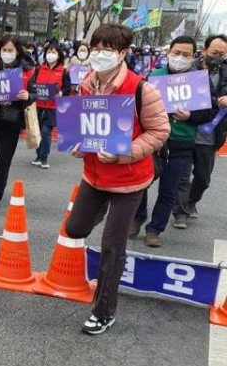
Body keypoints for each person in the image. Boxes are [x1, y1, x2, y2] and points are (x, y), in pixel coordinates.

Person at [65, 24, 170, 335]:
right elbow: (85, 128)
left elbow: (160, 132)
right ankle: (101, 212)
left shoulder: (142, 89)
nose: (99, 55)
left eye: (107, 50)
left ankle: (104, 311)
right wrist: (78, 146)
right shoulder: (86, 84)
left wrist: (125, 153)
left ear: (123, 53)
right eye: (95, 48)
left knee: (112, 247)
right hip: (94, 177)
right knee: (75, 228)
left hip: (129, 180)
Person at [130, 36, 213, 246]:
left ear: (194, 56)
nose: (180, 57)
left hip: (182, 144)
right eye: (177, 53)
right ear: (168, 53)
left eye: (186, 54)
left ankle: (155, 229)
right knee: (141, 184)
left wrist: (190, 117)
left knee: (169, 190)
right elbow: (138, 108)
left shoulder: (199, 81)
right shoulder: (153, 78)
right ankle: (137, 217)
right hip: (153, 142)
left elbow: (209, 113)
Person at [172, 34, 227, 224]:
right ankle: (180, 212)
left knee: (203, 178)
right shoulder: (187, 70)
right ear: (204, 51)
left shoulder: (225, 74)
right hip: (187, 131)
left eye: (222, 54)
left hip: (210, 135)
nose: (217, 57)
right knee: (182, 176)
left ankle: (190, 201)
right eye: (214, 53)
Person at [0, 35, 35, 211]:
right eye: (4, 50)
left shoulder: (26, 71)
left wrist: (28, 96)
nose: (7, 53)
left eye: (10, 50)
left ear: (18, 52)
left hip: (11, 121)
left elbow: (34, 94)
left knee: (3, 162)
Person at [32, 40, 71, 169]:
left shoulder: (63, 71)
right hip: (39, 105)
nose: (50, 54)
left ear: (59, 55)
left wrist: (61, 93)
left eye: (53, 52)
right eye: (48, 51)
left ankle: (44, 157)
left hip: (52, 107)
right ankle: (38, 155)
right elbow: (31, 84)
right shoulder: (39, 69)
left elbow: (67, 88)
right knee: (37, 131)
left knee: (45, 131)